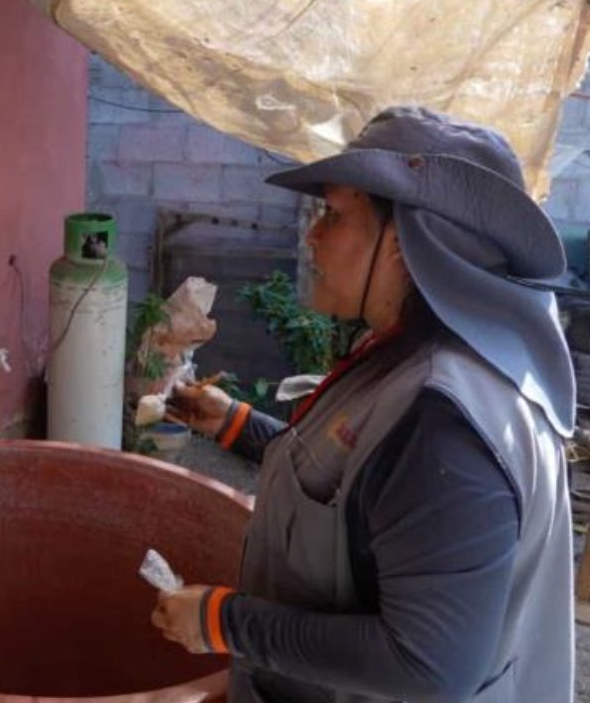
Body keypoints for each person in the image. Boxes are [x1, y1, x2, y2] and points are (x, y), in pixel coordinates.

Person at [154, 107, 575, 702]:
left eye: (334, 213)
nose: (312, 234)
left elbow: (427, 663)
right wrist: (237, 424)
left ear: (407, 243)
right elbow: (357, 487)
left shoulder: (446, 421)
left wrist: (223, 622)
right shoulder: (408, 351)